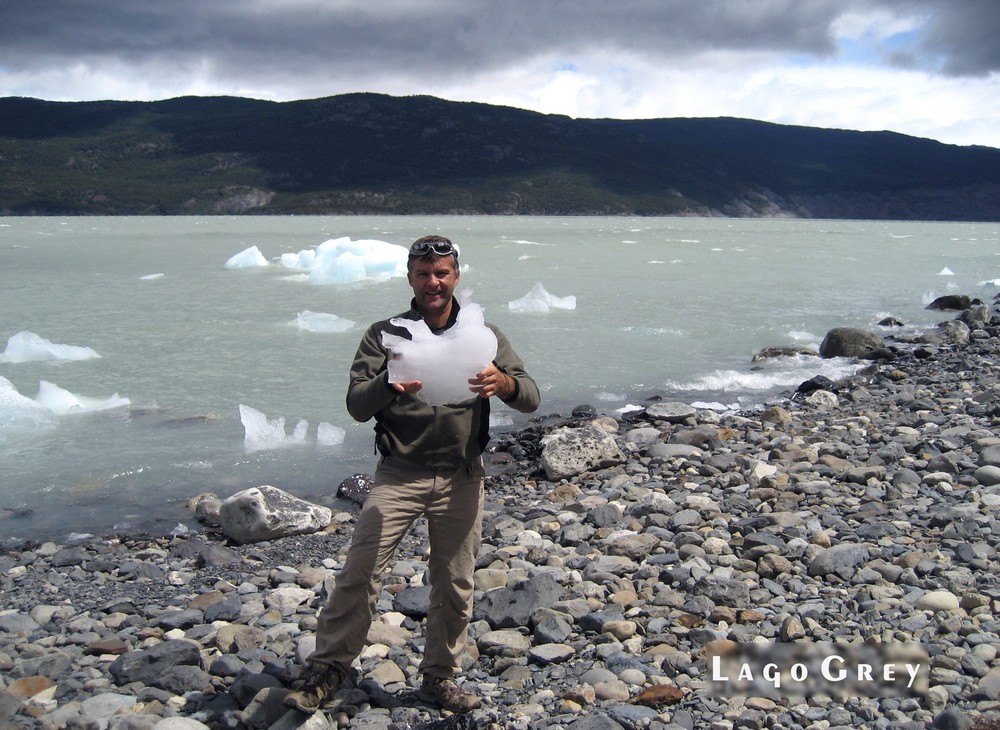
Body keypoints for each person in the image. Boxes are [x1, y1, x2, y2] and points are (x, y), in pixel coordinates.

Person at [286, 235, 540, 714]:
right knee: (361, 573)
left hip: (463, 476)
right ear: (410, 278)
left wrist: (503, 382)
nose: (433, 282)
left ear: (456, 277)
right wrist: (387, 383)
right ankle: (327, 672)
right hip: (400, 474)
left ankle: (439, 679)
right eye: (424, 273)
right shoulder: (386, 334)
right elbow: (356, 406)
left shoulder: (482, 333)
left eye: (442, 272)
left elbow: (530, 397)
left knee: (455, 582)